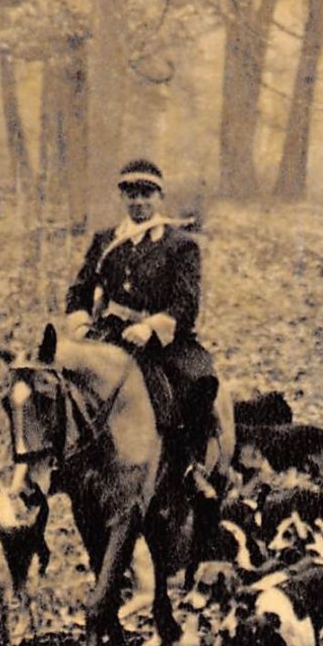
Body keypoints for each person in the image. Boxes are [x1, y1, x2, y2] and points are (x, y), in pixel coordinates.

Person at [66, 159, 219, 497]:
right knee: (67, 383)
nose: (139, 202)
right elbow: (79, 289)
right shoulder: (106, 239)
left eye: (146, 194)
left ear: (159, 197)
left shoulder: (180, 244)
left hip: (161, 341)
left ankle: (192, 466)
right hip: (110, 334)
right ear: (122, 198)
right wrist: (79, 324)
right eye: (131, 194)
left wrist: (151, 327)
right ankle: (65, 465)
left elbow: (186, 302)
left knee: (198, 381)